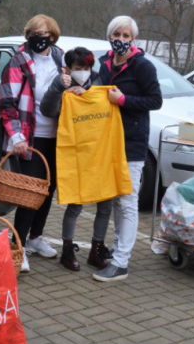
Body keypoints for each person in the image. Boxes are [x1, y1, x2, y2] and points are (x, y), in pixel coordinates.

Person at [93, 16, 162, 282]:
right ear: (109, 36)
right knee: (116, 201)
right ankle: (117, 252)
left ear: (134, 40)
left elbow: (155, 100)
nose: (121, 39)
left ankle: (121, 262)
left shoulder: (142, 66)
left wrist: (123, 100)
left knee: (127, 201)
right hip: (108, 141)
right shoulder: (104, 63)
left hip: (132, 143)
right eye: (117, 34)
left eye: (126, 36)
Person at [0, 14, 65, 273]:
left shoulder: (61, 59)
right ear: (28, 35)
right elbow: (7, 103)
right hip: (30, 138)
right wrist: (17, 137)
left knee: (49, 189)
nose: (41, 37)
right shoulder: (18, 62)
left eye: (45, 32)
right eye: (35, 32)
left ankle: (36, 238)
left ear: (53, 35)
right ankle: (18, 245)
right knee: (30, 193)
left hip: (58, 137)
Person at [39, 47, 113, 272]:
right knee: (75, 204)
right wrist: (62, 89)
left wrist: (89, 95)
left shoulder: (100, 84)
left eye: (87, 68)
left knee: (105, 203)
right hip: (77, 154)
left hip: (100, 152)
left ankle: (97, 249)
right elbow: (47, 110)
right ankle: (68, 250)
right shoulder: (61, 86)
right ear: (67, 69)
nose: (84, 72)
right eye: (78, 69)